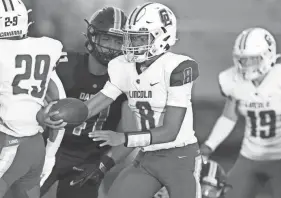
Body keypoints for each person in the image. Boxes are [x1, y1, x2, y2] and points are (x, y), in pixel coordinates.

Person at [38, 2, 202, 198]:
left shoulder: (178, 67)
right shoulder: (123, 67)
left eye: (140, 38)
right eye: (131, 38)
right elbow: (91, 107)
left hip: (179, 156)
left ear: (161, 36)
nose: (133, 45)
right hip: (144, 157)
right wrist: (50, 114)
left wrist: (120, 142)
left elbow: (170, 132)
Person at [39, 7, 136, 198]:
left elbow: (130, 137)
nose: (111, 47)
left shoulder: (129, 80)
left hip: (87, 159)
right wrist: (42, 115)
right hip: (48, 149)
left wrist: (102, 166)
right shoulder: (63, 65)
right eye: (106, 39)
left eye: (118, 42)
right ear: (92, 37)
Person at [200, 27, 281, 198]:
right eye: (242, 60)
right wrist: (208, 146)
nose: (246, 65)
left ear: (268, 56)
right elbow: (229, 117)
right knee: (228, 195)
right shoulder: (232, 80)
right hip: (249, 156)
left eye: (252, 59)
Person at [0, 0, 66, 197]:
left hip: (9, 143)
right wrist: (50, 155)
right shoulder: (46, 47)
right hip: (35, 146)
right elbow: (60, 101)